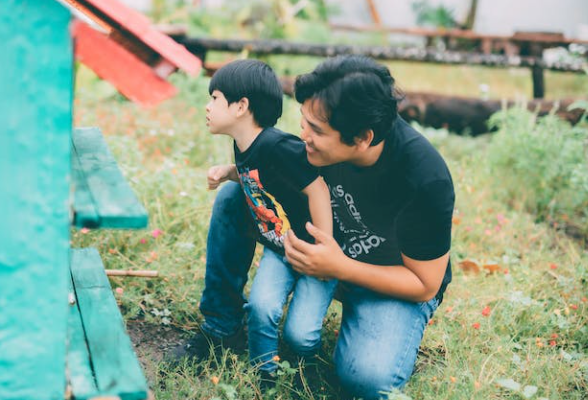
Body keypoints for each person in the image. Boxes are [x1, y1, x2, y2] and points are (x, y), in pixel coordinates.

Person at [171, 55, 455, 400]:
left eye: (317, 130)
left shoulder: (424, 177)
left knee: (367, 379)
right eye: (303, 122)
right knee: (235, 194)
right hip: (318, 253)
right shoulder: (314, 145)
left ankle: (366, 319)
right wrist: (233, 171)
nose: (302, 135)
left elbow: (425, 284)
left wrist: (339, 266)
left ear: (362, 138)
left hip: (387, 279)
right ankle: (222, 325)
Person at [168, 59, 336, 378]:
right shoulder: (245, 144)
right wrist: (230, 172)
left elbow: (318, 188)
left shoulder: (278, 145)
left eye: (214, 98)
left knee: (300, 336)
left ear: (241, 106)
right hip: (281, 245)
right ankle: (263, 375)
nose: (207, 106)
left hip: (312, 248)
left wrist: (325, 245)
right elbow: (260, 175)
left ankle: (307, 371)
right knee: (262, 307)